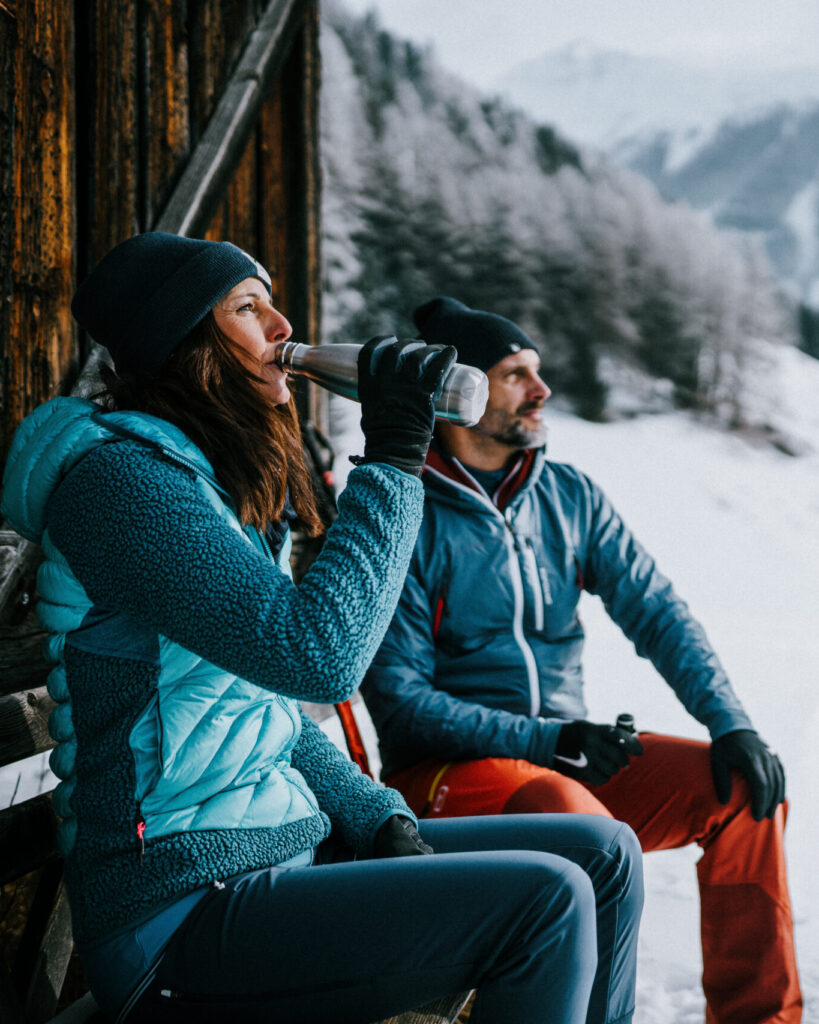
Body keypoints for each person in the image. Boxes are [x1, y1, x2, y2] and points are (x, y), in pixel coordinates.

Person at [1, 237, 644, 1024]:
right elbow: (318, 659)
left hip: (279, 848)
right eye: (246, 306)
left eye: (272, 300)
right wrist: (396, 456)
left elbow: (257, 706)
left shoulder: (200, 485)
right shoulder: (122, 485)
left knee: (602, 854)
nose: (281, 323)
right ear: (183, 341)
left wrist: (374, 812)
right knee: (542, 901)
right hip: (174, 908)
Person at [362, 296, 803, 1024]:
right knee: (577, 824)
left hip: (563, 759)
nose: (541, 390)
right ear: (457, 393)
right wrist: (549, 740)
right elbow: (403, 702)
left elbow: (656, 612)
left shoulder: (567, 496)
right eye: (513, 374)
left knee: (746, 795)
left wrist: (732, 724)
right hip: (442, 777)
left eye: (536, 370)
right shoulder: (403, 512)